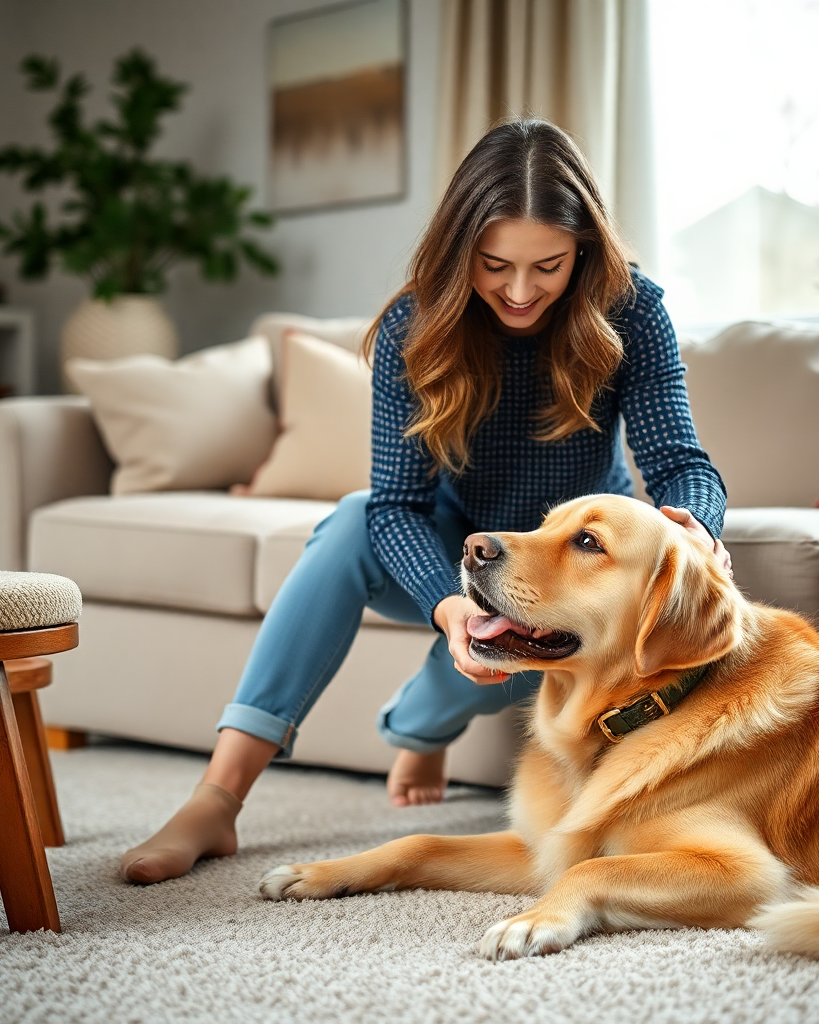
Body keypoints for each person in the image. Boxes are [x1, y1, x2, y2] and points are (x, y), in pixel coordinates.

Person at [120, 119, 731, 885]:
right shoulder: (417, 322)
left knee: (466, 681)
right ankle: (216, 797)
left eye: (547, 265)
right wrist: (452, 607)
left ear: (584, 248)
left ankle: (416, 729)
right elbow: (395, 506)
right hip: (454, 542)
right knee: (347, 522)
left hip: (563, 567)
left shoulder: (632, 310)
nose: (518, 290)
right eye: (493, 265)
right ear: (459, 250)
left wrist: (693, 527)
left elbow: (681, 463)